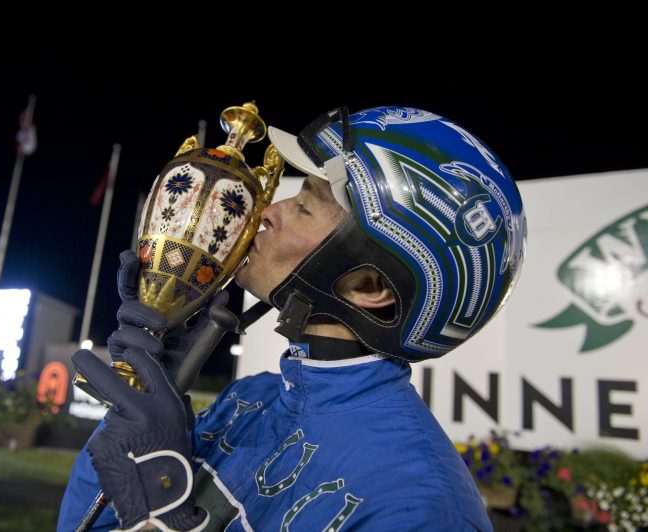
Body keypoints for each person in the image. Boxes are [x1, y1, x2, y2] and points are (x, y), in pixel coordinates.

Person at [58, 105, 526, 531]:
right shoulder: (249, 400)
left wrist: (161, 509)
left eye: (303, 206)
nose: (267, 212)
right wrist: (144, 396)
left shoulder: (421, 508)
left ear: (369, 287)